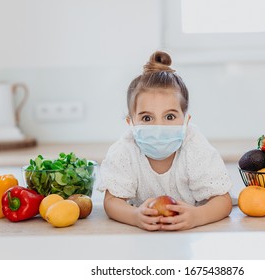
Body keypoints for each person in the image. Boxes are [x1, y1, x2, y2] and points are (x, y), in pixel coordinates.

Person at [98, 50, 233, 231]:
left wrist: (198, 216)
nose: (159, 127)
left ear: (186, 121)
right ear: (131, 124)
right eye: (147, 118)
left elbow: (222, 200)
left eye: (169, 117)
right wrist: (134, 216)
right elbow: (112, 201)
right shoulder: (125, 151)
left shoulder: (194, 147)